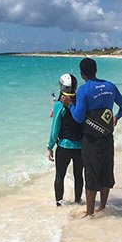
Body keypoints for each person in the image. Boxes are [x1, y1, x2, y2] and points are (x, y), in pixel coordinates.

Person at [61, 58, 122, 218]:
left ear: (82, 73)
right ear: (96, 70)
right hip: (107, 138)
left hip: (91, 140)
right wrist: (117, 117)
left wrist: (69, 104)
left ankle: (90, 213)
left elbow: (78, 118)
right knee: (106, 170)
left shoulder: (84, 90)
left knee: (91, 173)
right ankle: (103, 207)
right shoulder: (110, 86)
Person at [47, 73, 84, 206]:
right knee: (78, 175)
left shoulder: (59, 105)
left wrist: (49, 147)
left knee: (60, 176)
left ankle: (59, 203)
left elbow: (54, 129)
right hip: (80, 147)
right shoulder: (81, 102)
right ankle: (78, 201)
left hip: (64, 147)